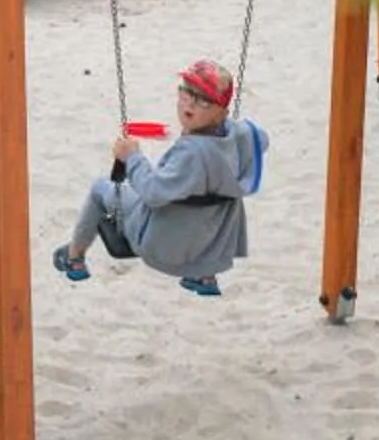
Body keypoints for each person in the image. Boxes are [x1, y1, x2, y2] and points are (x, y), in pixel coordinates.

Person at [52, 58, 266, 297]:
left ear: (220, 112)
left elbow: (153, 192)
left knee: (101, 188)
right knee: (202, 202)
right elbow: (261, 138)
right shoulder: (241, 139)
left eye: (204, 99)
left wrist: (132, 157)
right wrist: (225, 123)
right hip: (208, 252)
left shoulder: (192, 154)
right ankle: (204, 277)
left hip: (163, 250)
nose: (191, 104)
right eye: (186, 92)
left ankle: (74, 258)